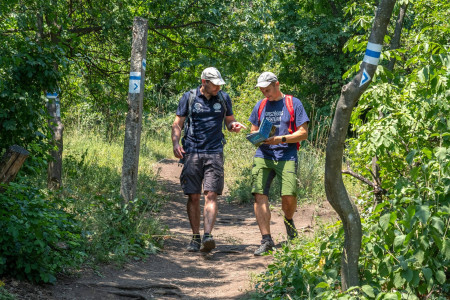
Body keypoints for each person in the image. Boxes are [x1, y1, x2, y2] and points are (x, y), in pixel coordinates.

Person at [171, 67, 246, 253]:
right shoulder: (189, 97)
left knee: (211, 194)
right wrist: (175, 143)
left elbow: (229, 121)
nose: (218, 87)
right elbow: (177, 123)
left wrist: (233, 125)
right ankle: (195, 237)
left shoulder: (223, 98)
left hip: (215, 151)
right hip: (192, 152)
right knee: (193, 196)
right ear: (204, 82)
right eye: (215, 84)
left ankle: (207, 236)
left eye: (220, 84)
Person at [248, 71, 309, 256]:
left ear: (277, 84)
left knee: (288, 195)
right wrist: (258, 137)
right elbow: (253, 129)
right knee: (259, 194)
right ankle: (266, 240)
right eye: (262, 91)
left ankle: (288, 221)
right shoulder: (260, 105)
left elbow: (303, 133)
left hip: (286, 154)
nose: (265, 94)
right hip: (263, 155)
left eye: (268, 90)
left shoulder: (293, 103)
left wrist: (281, 138)